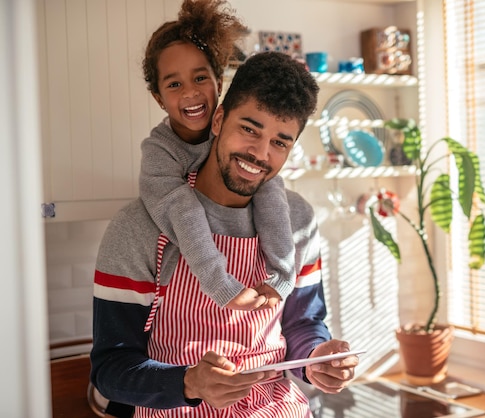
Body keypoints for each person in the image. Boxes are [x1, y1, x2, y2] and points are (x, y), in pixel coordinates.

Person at [90, 48, 359, 417]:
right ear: (218, 119)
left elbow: (303, 324)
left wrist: (316, 358)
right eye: (249, 129)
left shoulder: (298, 220)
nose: (260, 153)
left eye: (280, 142)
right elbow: (111, 369)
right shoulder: (139, 226)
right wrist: (189, 382)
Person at [140, 0, 295, 312]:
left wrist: (283, 276)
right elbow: (183, 212)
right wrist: (220, 284)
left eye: (200, 78)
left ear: (219, 83)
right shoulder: (159, 152)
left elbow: (270, 192)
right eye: (173, 84)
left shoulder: (231, 135)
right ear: (158, 98)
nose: (190, 92)